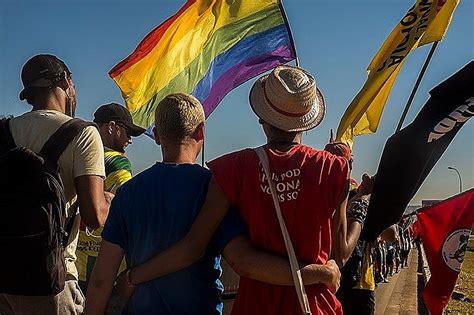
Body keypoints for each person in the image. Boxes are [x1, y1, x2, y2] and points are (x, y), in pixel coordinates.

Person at [114, 66, 357, 314]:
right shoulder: (334, 170)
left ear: (262, 118)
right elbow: (340, 255)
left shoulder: (233, 169)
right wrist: (329, 262)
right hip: (315, 305)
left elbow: (208, 251)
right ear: (306, 120)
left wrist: (134, 276)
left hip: (256, 306)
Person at [0, 54, 111, 314]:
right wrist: (107, 200)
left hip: (3, 277)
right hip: (51, 280)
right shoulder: (83, 133)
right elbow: (94, 216)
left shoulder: (3, 132)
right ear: (65, 80)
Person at [76, 103, 145, 313]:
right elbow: (131, 210)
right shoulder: (117, 162)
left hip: (75, 270)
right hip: (110, 271)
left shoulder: (75, 153)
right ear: (112, 127)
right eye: (127, 132)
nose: (129, 139)